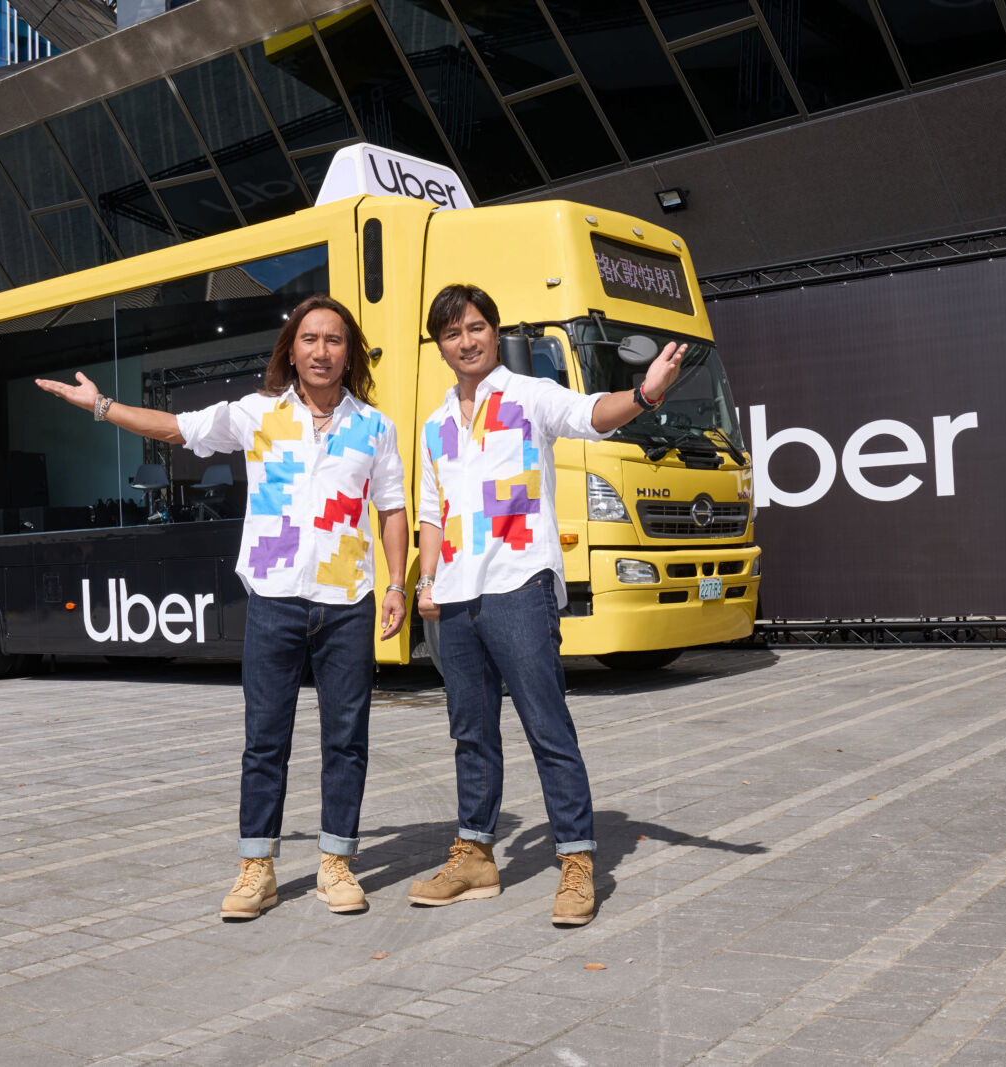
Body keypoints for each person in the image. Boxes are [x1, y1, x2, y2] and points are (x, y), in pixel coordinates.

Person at [36, 295, 407, 921]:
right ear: (291, 350)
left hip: (347, 601)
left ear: (349, 353)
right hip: (273, 598)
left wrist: (397, 583)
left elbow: (392, 508)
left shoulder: (375, 427)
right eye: (310, 338)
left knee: (346, 740)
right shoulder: (257, 414)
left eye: (334, 340)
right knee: (265, 740)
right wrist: (101, 407)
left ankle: (336, 862)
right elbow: (176, 427)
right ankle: (256, 868)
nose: (321, 350)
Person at [409, 283, 683, 926]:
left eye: (476, 327)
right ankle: (475, 854)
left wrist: (646, 393)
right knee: (469, 734)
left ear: (492, 331)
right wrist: (426, 582)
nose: (466, 341)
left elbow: (593, 413)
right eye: (452, 333)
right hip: (454, 597)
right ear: (440, 345)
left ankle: (578, 861)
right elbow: (431, 511)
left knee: (547, 728)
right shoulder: (436, 422)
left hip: (519, 584)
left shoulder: (528, 396)